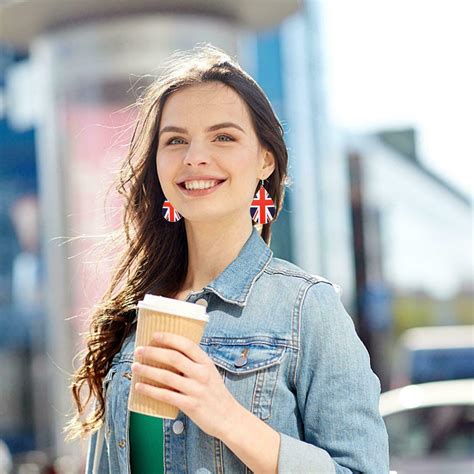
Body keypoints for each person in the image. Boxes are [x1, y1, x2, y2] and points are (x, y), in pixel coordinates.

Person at [65, 44, 389, 473]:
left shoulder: (306, 309)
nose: (195, 156)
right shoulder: (134, 313)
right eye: (176, 140)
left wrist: (227, 416)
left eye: (223, 137)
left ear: (264, 159)